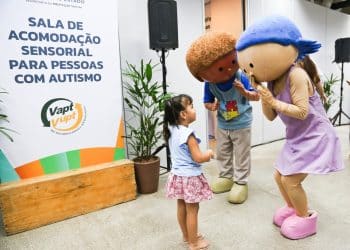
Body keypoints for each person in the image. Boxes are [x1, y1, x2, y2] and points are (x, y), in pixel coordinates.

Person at [236, 15, 345, 240]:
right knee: (278, 175)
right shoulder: (272, 81)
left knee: (291, 180)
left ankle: (305, 218)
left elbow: (302, 111)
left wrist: (273, 101)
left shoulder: (296, 74)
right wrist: (263, 96)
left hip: (316, 136)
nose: (250, 68)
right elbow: (270, 116)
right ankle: (292, 208)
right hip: (296, 136)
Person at [186, 31, 259, 204]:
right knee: (223, 152)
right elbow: (207, 103)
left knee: (241, 154)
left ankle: (241, 182)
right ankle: (226, 177)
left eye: (232, 62)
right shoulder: (210, 84)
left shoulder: (241, 75)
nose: (227, 70)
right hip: (223, 122)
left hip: (241, 123)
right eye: (219, 69)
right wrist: (212, 106)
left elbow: (257, 96)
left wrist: (244, 91)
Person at [163, 94, 214, 250]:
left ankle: (187, 236)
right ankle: (194, 243)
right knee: (192, 210)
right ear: (183, 115)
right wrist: (210, 153)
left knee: (181, 206)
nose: (194, 109)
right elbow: (198, 157)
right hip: (190, 177)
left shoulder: (171, 129)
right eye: (191, 106)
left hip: (177, 176)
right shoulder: (188, 135)